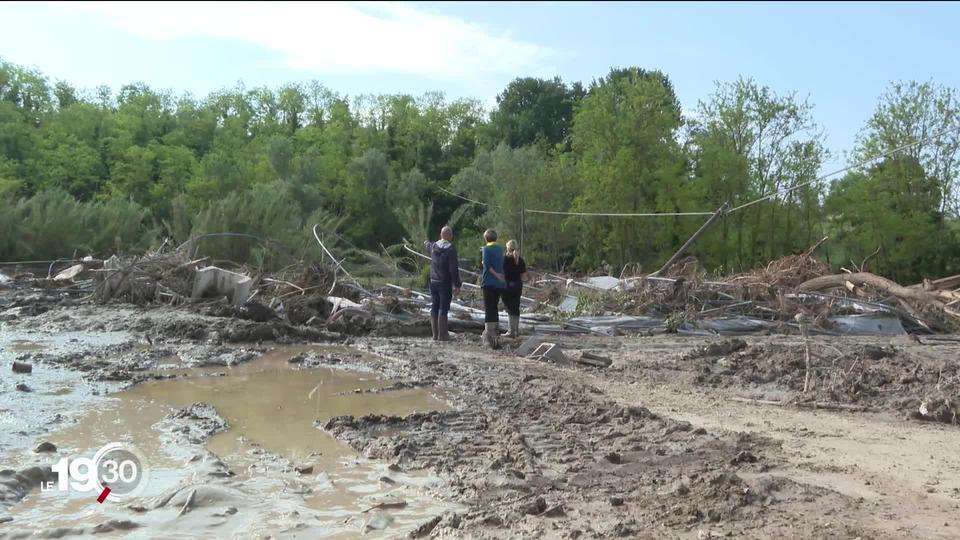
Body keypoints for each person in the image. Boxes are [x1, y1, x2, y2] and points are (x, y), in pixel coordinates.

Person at [423, 225, 462, 341]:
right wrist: (457, 284)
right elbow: (453, 269)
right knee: (443, 308)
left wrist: (426, 243)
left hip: (433, 281)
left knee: (434, 306)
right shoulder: (451, 249)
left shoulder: (434, 246)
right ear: (449, 236)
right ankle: (443, 335)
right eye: (451, 235)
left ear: (441, 235)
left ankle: (435, 335)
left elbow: (429, 245)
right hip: (444, 282)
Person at [479, 229, 506, 349]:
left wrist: (496, 275)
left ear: (486, 238)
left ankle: (489, 334)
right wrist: (501, 277)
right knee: (494, 306)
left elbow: (487, 265)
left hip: (489, 281)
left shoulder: (486, 249)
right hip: (499, 284)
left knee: (488, 307)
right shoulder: (500, 249)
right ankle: (496, 332)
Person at [501, 239, 527, 338]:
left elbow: (501, 273)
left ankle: (511, 331)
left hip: (507, 285)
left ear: (507, 248)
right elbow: (524, 276)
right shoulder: (520, 260)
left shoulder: (504, 259)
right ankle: (515, 330)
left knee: (509, 308)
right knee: (516, 307)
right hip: (517, 286)